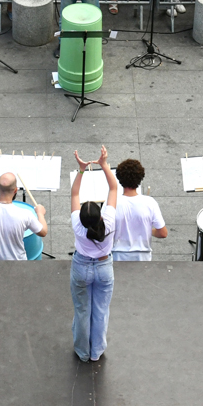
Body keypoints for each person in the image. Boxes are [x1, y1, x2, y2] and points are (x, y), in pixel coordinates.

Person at [68, 146, 119, 363]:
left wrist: (81, 170)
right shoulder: (108, 221)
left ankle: (82, 351)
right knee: (101, 310)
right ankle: (97, 351)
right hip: (104, 267)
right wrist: (105, 165)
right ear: (99, 215)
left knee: (82, 310)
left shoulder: (77, 225)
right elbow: (114, 189)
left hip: (81, 267)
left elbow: (74, 194)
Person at [109, 157, 167, 259]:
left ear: (119, 179)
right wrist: (148, 230)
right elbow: (163, 233)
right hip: (143, 257)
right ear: (140, 178)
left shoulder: (111, 203)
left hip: (118, 257)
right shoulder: (150, 203)